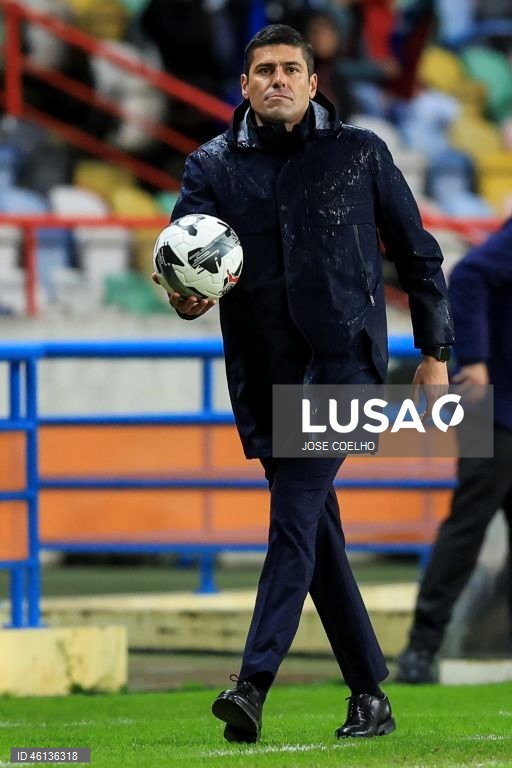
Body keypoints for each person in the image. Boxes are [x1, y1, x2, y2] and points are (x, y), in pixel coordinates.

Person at [154, 24, 454, 742]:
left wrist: (435, 354)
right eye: (265, 70)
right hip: (262, 380)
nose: (279, 80)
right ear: (246, 86)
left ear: (314, 83)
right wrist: (185, 297)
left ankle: (252, 685)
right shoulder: (212, 168)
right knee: (317, 536)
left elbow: (418, 256)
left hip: (342, 369)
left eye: (292, 68)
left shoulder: (361, 154)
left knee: (292, 522)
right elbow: (183, 261)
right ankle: (369, 695)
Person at [396, 219, 512, 684]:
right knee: (468, 525)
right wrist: (476, 360)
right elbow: (468, 276)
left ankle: (425, 646)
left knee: (470, 524)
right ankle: (420, 648)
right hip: (495, 408)